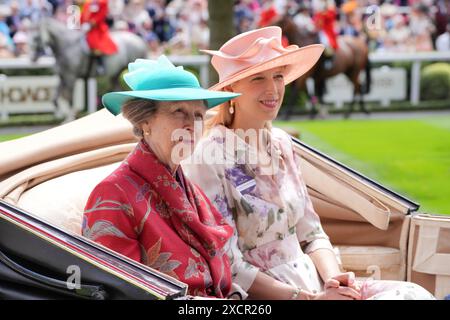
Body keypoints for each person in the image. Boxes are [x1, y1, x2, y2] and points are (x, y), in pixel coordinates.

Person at [181, 27, 436, 300]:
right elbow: (227, 262)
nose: (273, 89)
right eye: (257, 78)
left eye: (278, 76)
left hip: (314, 282)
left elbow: (312, 233)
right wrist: (306, 298)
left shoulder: (281, 143)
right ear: (231, 88)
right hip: (268, 295)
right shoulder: (207, 157)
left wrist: (334, 279)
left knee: (413, 294)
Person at [82, 55, 240, 298]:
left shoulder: (188, 187)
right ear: (145, 121)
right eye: (179, 111)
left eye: (198, 115)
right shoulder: (113, 193)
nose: (191, 124)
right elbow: (120, 292)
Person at [80, 0, 118, 75]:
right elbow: (84, 13)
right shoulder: (87, 2)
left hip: (97, 28)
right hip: (85, 27)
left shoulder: (103, 1)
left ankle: (100, 65)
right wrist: (81, 23)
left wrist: (91, 24)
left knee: (94, 43)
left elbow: (101, 15)